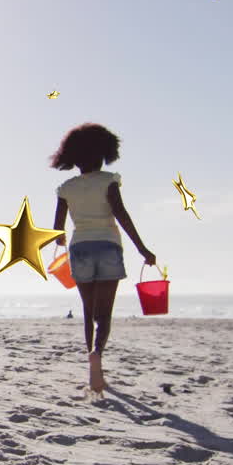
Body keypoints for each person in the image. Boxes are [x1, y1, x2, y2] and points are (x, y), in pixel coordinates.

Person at [49, 123, 155, 398]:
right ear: (104, 153)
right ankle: (98, 354)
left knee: (88, 311)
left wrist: (61, 241)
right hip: (108, 246)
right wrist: (143, 249)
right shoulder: (109, 181)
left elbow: (58, 231)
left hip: (80, 248)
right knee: (104, 315)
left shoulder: (66, 188)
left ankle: (90, 365)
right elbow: (122, 215)